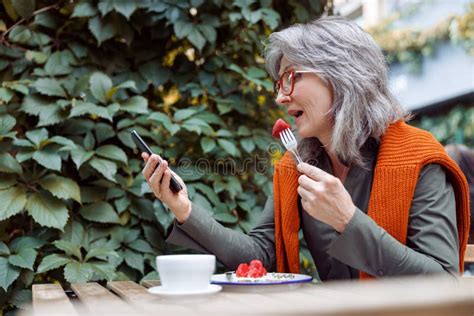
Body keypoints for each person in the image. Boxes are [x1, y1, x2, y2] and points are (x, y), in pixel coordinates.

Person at [142, 16, 470, 280]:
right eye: (278, 82)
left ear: (342, 77)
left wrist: (347, 220)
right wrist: (183, 208)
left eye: (291, 78)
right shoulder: (295, 165)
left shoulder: (419, 158)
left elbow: (442, 280)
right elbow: (260, 254)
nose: (280, 97)